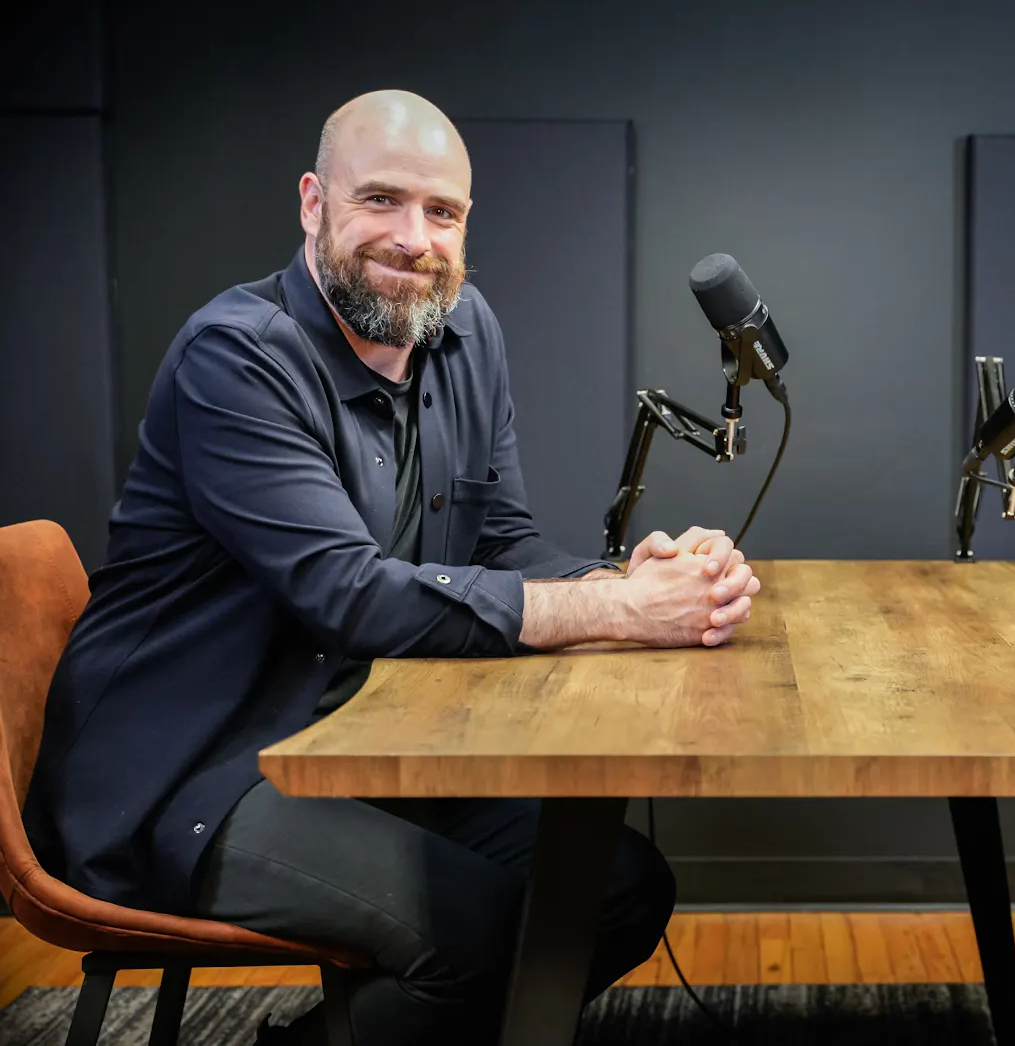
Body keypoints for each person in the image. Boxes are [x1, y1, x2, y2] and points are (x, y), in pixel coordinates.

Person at [23, 90, 761, 1045]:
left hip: (355, 746)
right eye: (380, 200)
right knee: (482, 936)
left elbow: (503, 541)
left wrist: (626, 577)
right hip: (190, 781)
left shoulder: (466, 328)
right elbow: (350, 596)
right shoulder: (235, 359)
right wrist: (624, 612)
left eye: (442, 211)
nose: (414, 239)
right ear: (311, 204)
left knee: (616, 886)